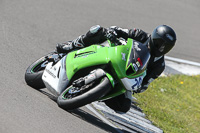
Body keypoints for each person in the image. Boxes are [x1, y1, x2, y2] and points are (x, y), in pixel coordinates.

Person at [56, 25, 176, 113]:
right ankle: (72, 45)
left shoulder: (159, 66)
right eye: (160, 43)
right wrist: (113, 32)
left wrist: (139, 86)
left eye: (166, 47)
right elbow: (119, 30)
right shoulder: (140, 35)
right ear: (153, 37)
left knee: (123, 106)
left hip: (124, 77)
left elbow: (145, 84)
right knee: (98, 30)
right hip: (114, 54)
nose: (161, 48)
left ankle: (96, 92)